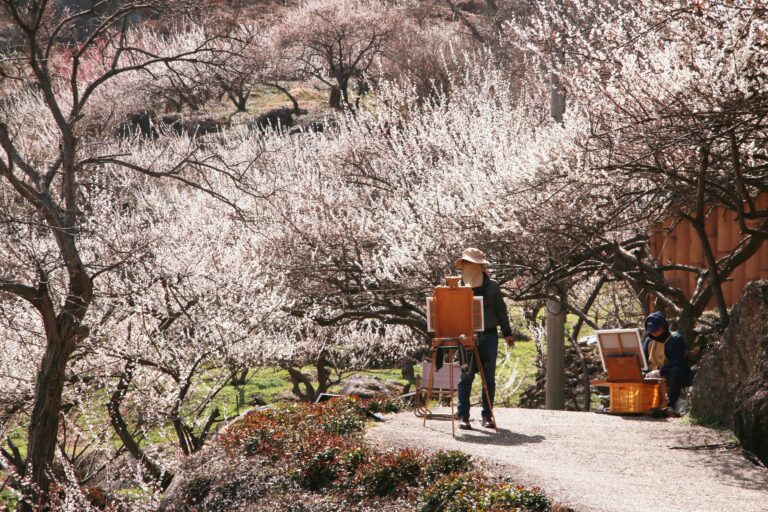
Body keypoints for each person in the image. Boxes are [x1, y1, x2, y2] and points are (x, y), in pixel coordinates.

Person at [453, 247, 515, 430]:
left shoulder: (492, 286)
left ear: (481, 266)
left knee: (488, 378)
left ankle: (487, 415)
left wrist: (507, 332)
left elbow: (500, 310)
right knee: (466, 376)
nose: (469, 267)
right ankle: (463, 414)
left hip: (488, 335)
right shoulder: (456, 287)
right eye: (467, 264)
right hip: (464, 336)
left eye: (473, 263)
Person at [642, 311, 693, 417]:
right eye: (652, 331)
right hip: (653, 372)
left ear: (663, 327)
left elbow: (679, 360)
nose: (654, 333)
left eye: (656, 331)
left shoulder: (676, 338)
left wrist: (661, 371)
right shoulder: (648, 340)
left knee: (676, 370)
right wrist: (645, 371)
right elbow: (643, 358)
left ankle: (670, 404)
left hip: (673, 375)